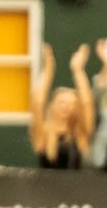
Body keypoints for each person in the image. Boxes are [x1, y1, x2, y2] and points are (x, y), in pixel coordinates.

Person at [29, 41, 95, 170]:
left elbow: (87, 103)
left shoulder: (80, 134)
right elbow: (37, 103)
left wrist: (78, 70)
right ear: (52, 106)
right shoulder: (43, 134)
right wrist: (48, 69)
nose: (66, 107)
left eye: (71, 104)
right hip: (45, 188)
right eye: (61, 103)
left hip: (75, 188)